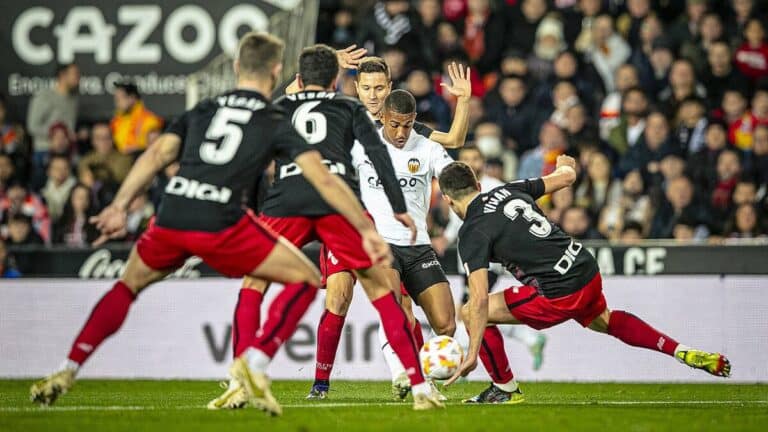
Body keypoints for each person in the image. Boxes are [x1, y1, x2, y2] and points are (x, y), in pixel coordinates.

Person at [28, 32, 399, 416]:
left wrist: (119, 205)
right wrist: (364, 226)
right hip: (227, 218)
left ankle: (69, 366)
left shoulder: (204, 108)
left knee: (129, 285)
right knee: (305, 279)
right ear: (275, 71)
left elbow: (156, 154)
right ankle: (251, 368)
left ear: (236, 66)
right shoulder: (279, 115)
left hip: (174, 211)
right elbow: (321, 172)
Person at [208, 45, 442, 412]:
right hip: (337, 204)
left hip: (287, 200)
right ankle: (419, 386)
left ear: (300, 80)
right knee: (384, 295)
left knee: (255, 283)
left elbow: (249, 153)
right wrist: (400, 208)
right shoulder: (349, 108)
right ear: (338, 82)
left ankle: (240, 377)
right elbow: (379, 156)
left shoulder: (282, 106)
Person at [437, 158, 731, 404]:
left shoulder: (472, 232)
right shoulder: (509, 190)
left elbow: (479, 299)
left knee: (470, 312)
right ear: (478, 186)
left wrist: (472, 353)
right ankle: (678, 350)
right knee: (604, 321)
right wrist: (565, 164)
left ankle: (504, 388)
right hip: (585, 268)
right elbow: (566, 177)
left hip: (559, 291)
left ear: (449, 201)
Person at [442, 146, 547, 371]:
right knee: (474, 309)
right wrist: (445, 239)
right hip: (467, 260)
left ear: (483, 162)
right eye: (466, 159)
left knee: (472, 309)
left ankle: (458, 363)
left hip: (487, 261)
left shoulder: (494, 186)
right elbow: (456, 223)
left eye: (475, 158)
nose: (472, 163)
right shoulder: (457, 190)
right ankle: (529, 339)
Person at [26, 63, 79, 162]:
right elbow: (32, 126)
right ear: (62, 75)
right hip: (45, 150)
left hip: (67, 151)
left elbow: (69, 128)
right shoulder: (44, 96)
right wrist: (56, 135)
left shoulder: (73, 100)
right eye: (75, 74)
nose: (78, 77)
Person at [110, 81, 163, 155]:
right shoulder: (116, 121)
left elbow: (156, 148)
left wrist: (136, 148)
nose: (117, 103)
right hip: (120, 159)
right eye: (116, 99)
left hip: (142, 158)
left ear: (132, 98)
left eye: (120, 99)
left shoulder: (149, 120)